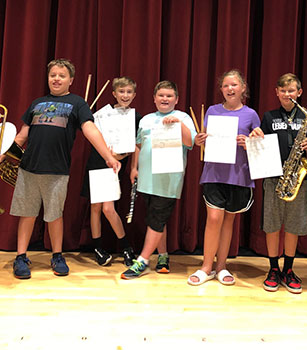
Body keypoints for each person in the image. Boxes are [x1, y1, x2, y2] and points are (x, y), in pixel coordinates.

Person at [10, 58, 120, 279]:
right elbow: (22, 136)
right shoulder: (36, 103)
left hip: (57, 170)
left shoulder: (78, 103)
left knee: (54, 216)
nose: (56, 79)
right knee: (27, 214)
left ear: (71, 79)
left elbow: (90, 130)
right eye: (53, 75)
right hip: (29, 168)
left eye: (61, 75)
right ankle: (21, 257)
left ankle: (57, 255)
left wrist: (108, 156)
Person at [188, 69, 260, 286]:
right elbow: (207, 139)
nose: (230, 89)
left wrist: (250, 141)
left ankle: (221, 267)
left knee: (228, 221)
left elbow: (259, 143)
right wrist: (200, 140)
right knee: (213, 218)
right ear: (221, 89)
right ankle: (206, 267)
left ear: (243, 88)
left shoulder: (251, 114)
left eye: (234, 85)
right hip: (214, 172)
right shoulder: (211, 110)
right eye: (226, 85)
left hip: (238, 175)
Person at [121, 80, 196, 279]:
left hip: (169, 179)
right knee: (156, 219)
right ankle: (162, 255)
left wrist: (178, 125)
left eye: (169, 96)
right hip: (146, 178)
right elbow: (138, 144)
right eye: (161, 95)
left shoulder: (183, 117)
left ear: (177, 99)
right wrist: (134, 168)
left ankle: (143, 260)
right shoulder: (145, 119)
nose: (165, 99)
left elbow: (190, 143)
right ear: (154, 99)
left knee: (156, 218)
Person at [248, 73, 307, 294]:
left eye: (291, 90)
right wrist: (255, 134)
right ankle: (273, 268)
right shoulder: (268, 116)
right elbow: (260, 142)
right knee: (272, 224)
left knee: (293, 225)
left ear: (299, 93)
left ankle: (289, 269)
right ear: (276, 92)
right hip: (273, 175)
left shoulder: (306, 116)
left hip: (298, 176)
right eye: (283, 91)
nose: (287, 94)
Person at [82, 77, 142, 267]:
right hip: (97, 161)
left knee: (108, 208)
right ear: (114, 93)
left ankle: (126, 247)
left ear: (134, 94)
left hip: (114, 164)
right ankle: (98, 247)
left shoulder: (136, 117)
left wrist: (125, 160)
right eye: (121, 91)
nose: (125, 95)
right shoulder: (101, 114)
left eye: (129, 92)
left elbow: (135, 145)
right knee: (96, 208)